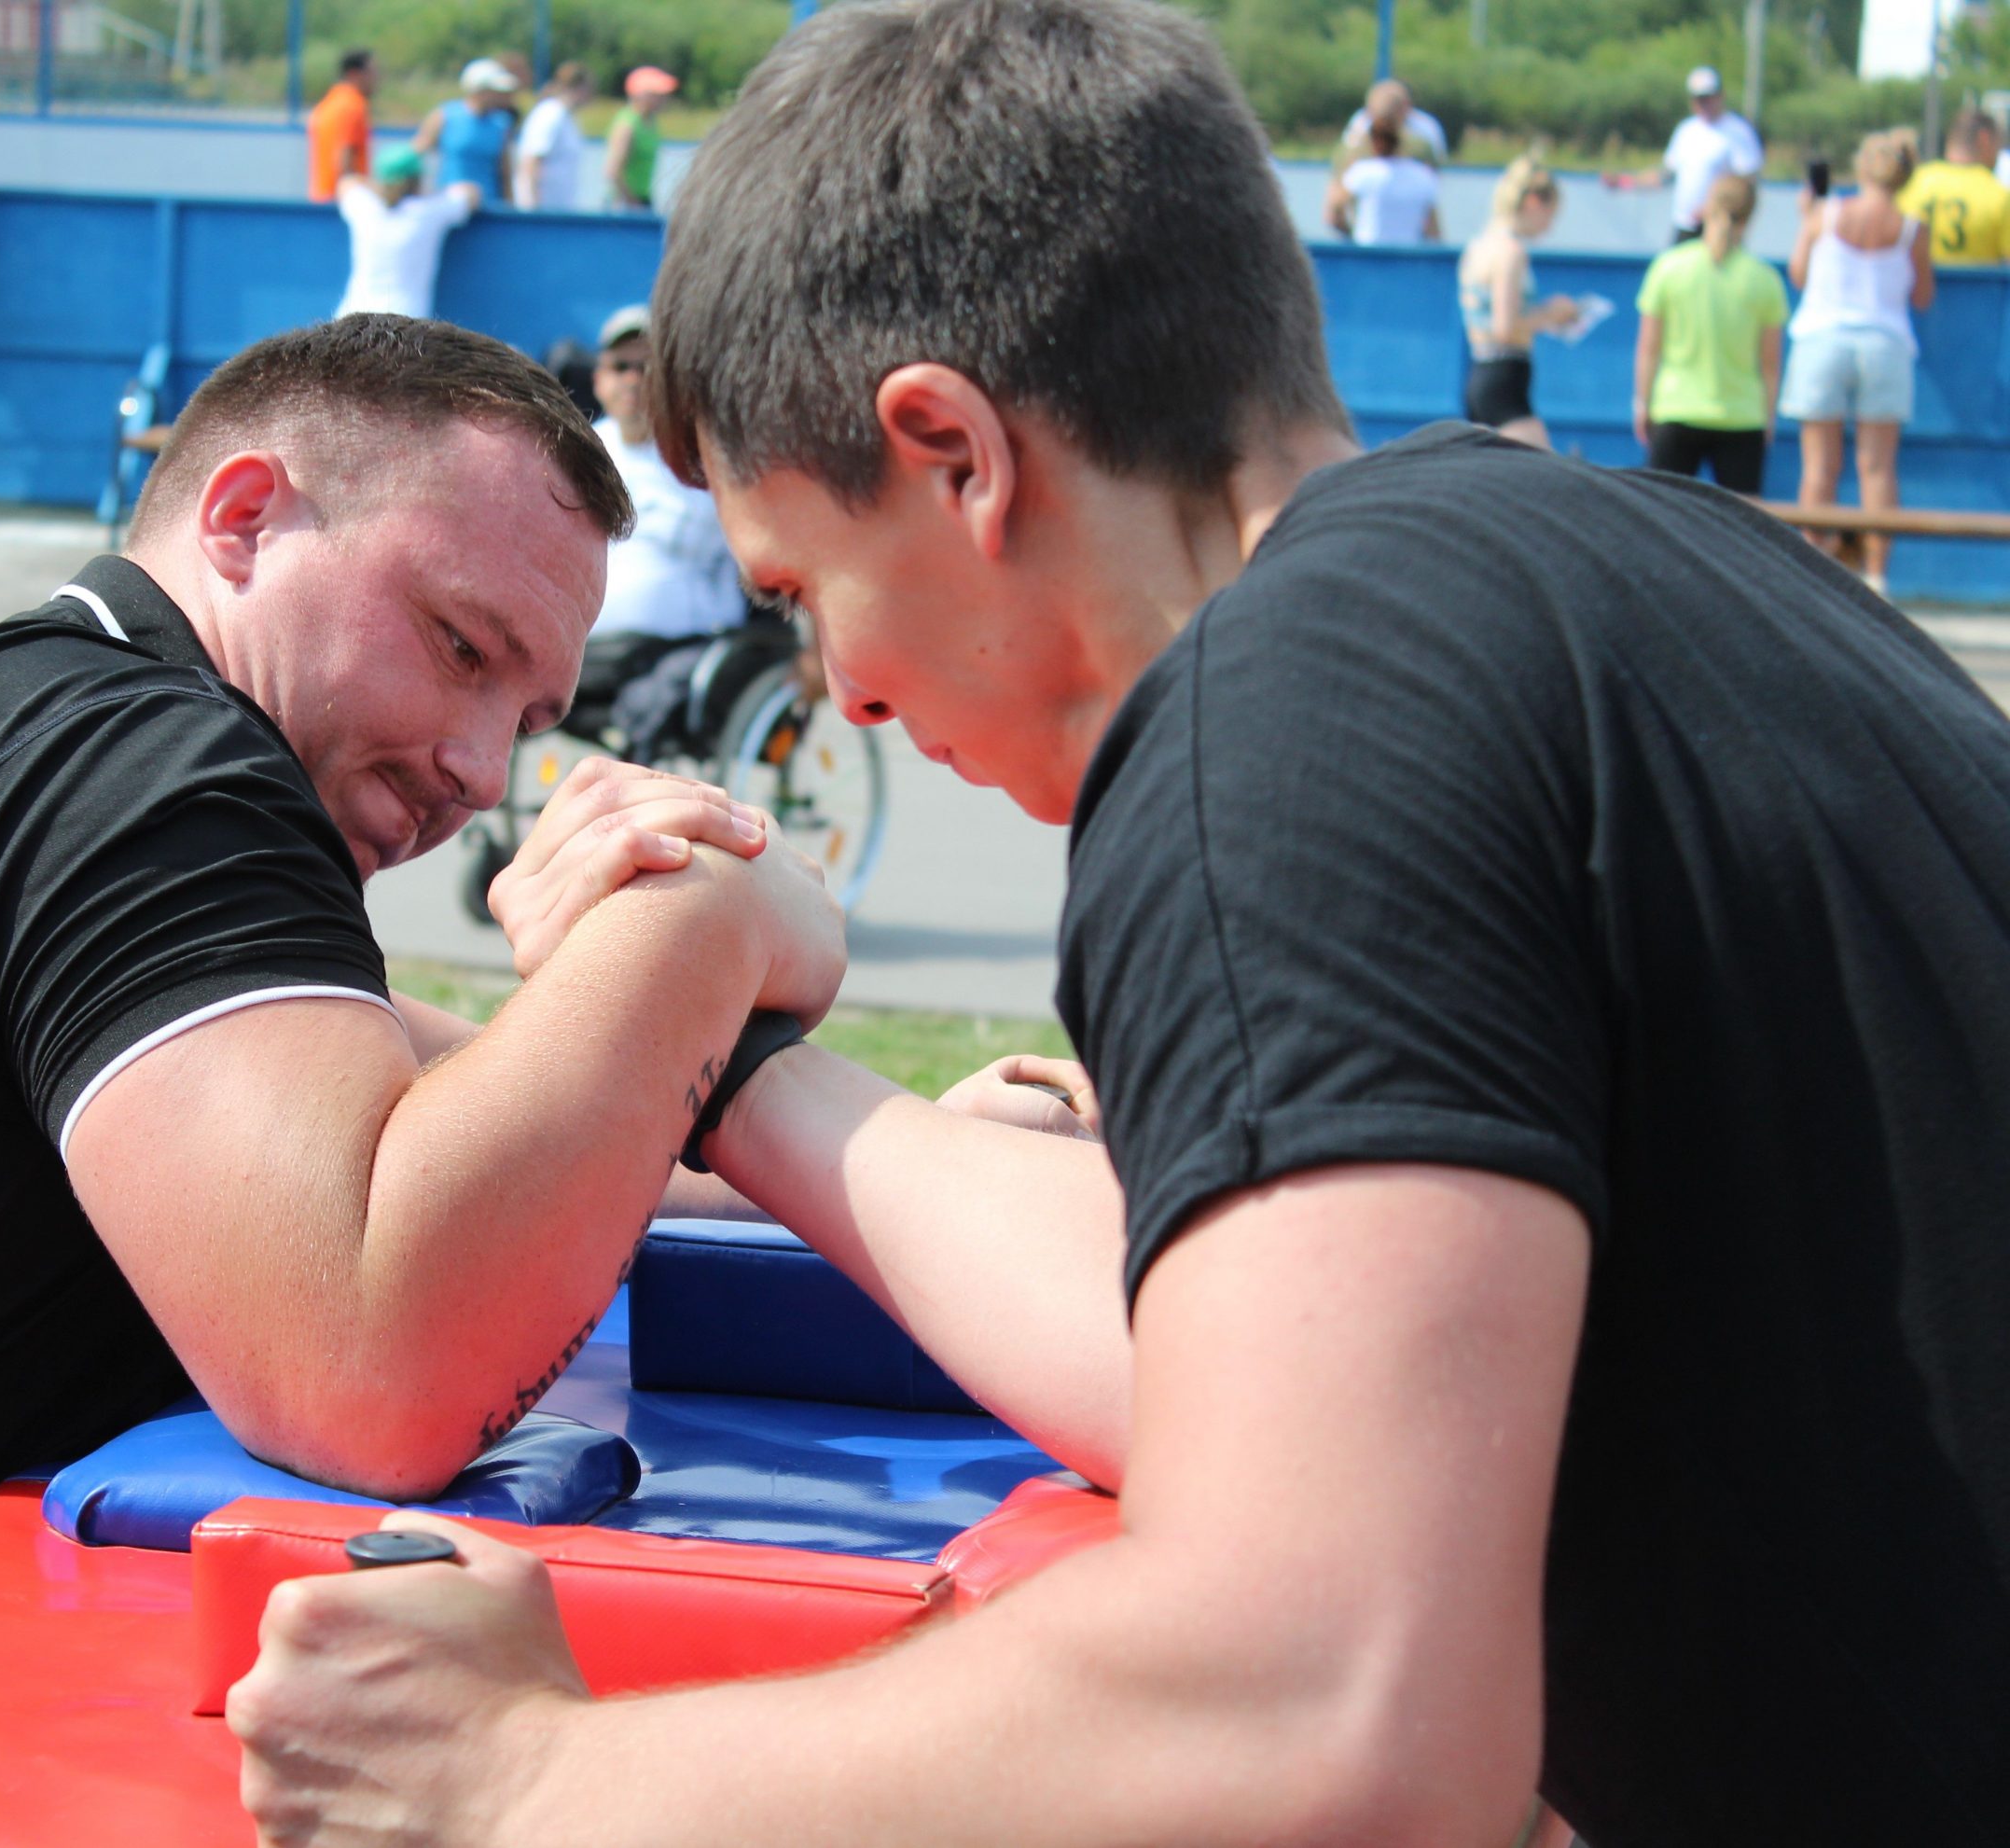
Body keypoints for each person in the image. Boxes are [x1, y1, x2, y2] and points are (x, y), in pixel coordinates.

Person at [227, 3, 2010, 1843]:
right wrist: (738, 1064)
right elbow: (1255, 1388)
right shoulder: (1621, 591)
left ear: (950, 453)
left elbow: (1326, 1710)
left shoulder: (1287, 716)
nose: (836, 693)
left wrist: (524, 1780)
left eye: (800, 590)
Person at [0, 313, 847, 1699]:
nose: (477, 767)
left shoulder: (40, 714)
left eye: (528, 717)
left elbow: (441, 1079)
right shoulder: (144, 764)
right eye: (459, 647)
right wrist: (708, 914)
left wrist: (838, 1142)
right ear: (247, 517)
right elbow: (376, 1377)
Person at [576, 303, 754, 752]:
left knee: (652, 699)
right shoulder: (576, 452)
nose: (632, 378)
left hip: (678, 649)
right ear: (600, 379)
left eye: (646, 366)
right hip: (587, 648)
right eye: (621, 366)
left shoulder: (705, 460)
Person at [1781, 128, 1934, 599]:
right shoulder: (1912, 229)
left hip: (1823, 339)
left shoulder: (1825, 215)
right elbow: (1923, 296)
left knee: (1819, 467)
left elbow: (1799, 274)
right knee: (1878, 469)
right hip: (1885, 344)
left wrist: (1806, 219)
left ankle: (1812, 568)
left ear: (1862, 169)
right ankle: (1876, 576)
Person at [1632, 174, 1788, 492]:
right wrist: (1768, 416)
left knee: (1663, 524)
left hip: (1676, 409)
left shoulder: (1668, 267)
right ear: (1750, 217)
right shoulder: (1765, 279)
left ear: (1706, 208)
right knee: (1741, 533)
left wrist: (1642, 403)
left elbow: (1649, 348)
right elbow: (1770, 364)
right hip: (1742, 417)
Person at [1458, 155, 1579, 448]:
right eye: (1550, 215)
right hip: (1505, 378)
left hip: (1480, 372)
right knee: (1544, 480)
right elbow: (1505, 327)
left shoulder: (1477, 248)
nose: (1549, 227)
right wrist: (1554, 314)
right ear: (1534, 202)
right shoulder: (1511, 252)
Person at [335, 149, 481, 320]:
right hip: (404, 325)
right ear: (416, 181)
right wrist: (433, 193)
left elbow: (346, 183)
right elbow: (473, 193)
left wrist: (379, 188)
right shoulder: (430, 211)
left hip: (351, 319)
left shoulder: (364, 207)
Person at [1657, 66, 1763, 241]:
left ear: (1721, 96)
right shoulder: (1686, 130)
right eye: (1698, 98)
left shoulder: (1738, 132)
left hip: (1719, 227)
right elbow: (1667, 173)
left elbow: (1747, 183)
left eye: (1708, 98)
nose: (1703, 103)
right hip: (1684, 224)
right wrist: (1627, 182)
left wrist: (1714, 207)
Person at [1897, 107, 2010, 267]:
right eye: (1998, 145)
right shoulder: (2000, 194)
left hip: (1921, 289)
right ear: (1984, 139)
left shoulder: (1914, 183)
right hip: (1979, 290)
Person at [416, 60, 519, 203]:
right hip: (450, 207)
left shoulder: (502, 123)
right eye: (495, 91)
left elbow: (505, 172)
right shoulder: (445, 116)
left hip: (490, 207)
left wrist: (510, 207)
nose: (502, 95)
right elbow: (417, 152)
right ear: (479, 91)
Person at [1325, 118, 1440, 244]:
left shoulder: (1361, 172)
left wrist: (1350, 234)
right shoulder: (1422, 176)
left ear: (1373, 141)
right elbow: (1434, 232)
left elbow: (1334, 215)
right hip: (1408, 257)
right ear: (1400, 141)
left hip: (1368, 254)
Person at [514, 63, 593, 211]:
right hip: (542, 210)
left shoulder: (568, 118)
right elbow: (532, 161)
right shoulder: (551, 114)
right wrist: (533, 208)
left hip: (559, 209)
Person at [305, 49, 376, 204]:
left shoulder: (327, 103)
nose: (376, 79)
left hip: (322, 199)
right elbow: (344, 159)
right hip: (343, 203)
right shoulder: (353, 105)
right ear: (354, 74)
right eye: (371, 73)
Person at [605, 66, 676, 212]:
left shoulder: (650, 122)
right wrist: (632, 202)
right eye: (658, 94)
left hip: (643, 200)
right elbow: (613, 171)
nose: (664, 99)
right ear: (642, 95)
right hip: (623, 204)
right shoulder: (627, 124)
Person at [1338, 76, 1445, 167]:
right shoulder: (1360, 121)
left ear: (1406, 107)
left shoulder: (1426, 127)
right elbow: (1347, 160)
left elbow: (1435, 166)